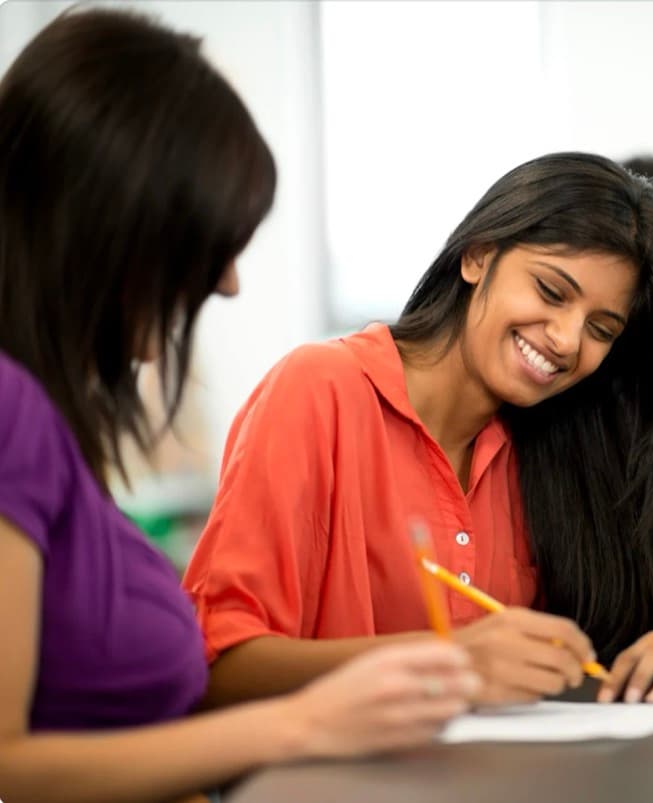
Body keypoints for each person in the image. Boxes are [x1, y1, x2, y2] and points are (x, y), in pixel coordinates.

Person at [0, 10, 477, 803]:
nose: (227, 284)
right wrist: (307, 722)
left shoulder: (46, 421)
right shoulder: (11, 410)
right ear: (114, 224)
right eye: (209, 244)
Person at [184, 152, 653, 711]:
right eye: (551, 292)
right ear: (478, 256)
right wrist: (451, 660)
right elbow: (219, 663)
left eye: (601, 330)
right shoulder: (320, 390)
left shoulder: (571, 435)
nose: (567, 340)